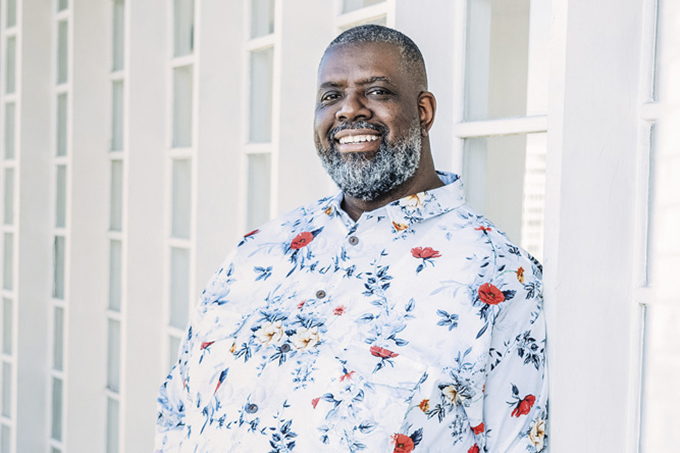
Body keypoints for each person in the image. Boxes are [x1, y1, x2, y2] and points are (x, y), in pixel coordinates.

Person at [156, 25, 548, 453]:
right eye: (331, 96)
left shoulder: (498, 275)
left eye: (376, 91)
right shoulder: (259, 250)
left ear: (424, 112)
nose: (348, 110)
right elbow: (176, 412)